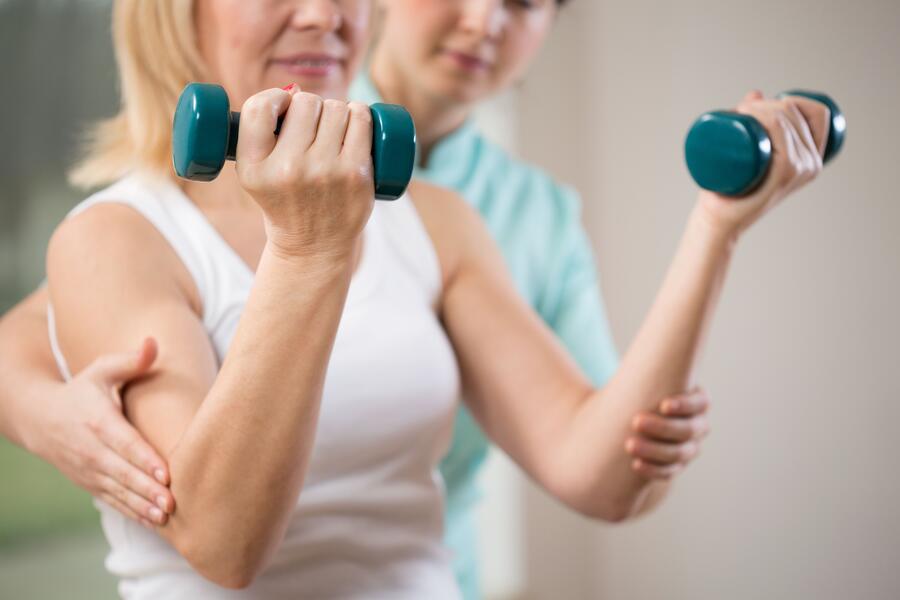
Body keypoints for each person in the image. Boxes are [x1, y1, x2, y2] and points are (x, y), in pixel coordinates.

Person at [0, 0, 830, 597]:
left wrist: (716, 229)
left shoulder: (440, 218)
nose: (326, 14)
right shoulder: (113, 237)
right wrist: (312, 248)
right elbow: (221, 544)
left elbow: (599, 473)